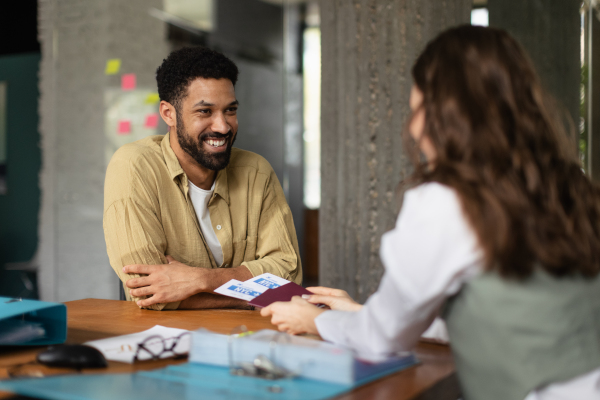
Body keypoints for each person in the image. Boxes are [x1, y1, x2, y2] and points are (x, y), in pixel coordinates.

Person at [261, 25, 600, 400]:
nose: (415, 128)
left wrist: (317, 320)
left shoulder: (447, 200)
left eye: (417, 110)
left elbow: (381, 339)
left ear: (445, 114)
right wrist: (358, 312)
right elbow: (504, 321)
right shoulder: (569, 184)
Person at [103, 47, 302, 311]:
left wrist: (201, 280)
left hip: (249, 339)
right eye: (205, 112)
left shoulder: (257, 171)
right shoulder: (134, 166)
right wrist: (252, 293)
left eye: (230, 110)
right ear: (168, 113)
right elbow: (151, 295)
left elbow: (288, 276)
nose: (222, 126)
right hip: (167, 342)